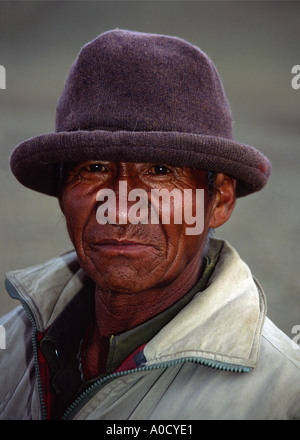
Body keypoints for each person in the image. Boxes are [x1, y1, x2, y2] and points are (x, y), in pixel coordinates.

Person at [1, 29, 300, 421]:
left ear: (219, 200)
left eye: (160, 171)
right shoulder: (13, 340)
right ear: (61, 192)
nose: (121, 209)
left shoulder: (282, 395)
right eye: (94, 169)